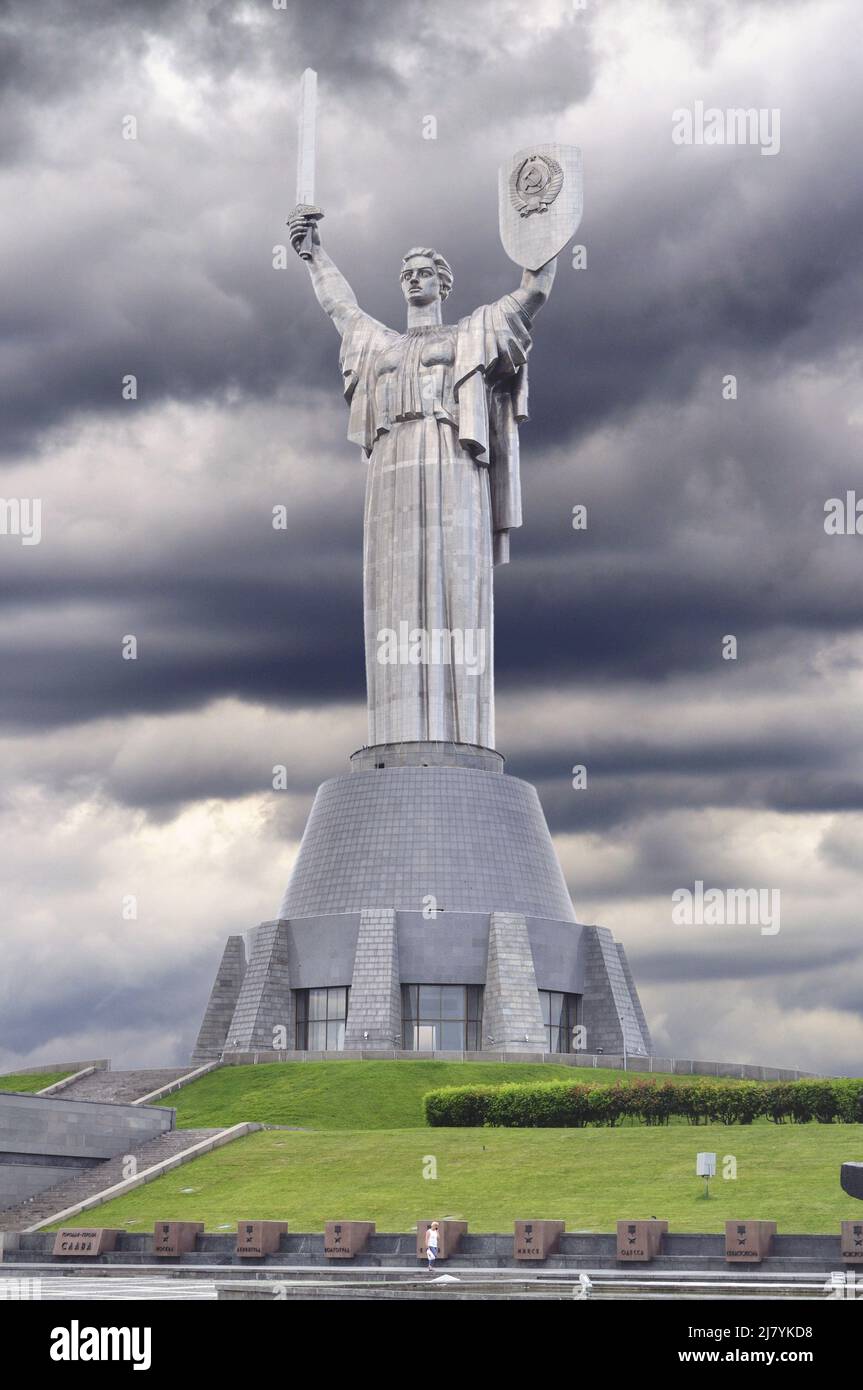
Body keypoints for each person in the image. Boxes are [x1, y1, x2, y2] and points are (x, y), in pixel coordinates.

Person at [288, 208, 556, 749]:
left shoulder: (470, 334)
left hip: (452, 456)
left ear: (443, 285)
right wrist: (315, 254)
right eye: (406, 273)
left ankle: (459, 738)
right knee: (393, 591)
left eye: (424, 273)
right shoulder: (379, 346)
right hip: (390, 465)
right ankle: (398, 737)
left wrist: (545, 234)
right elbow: (340, 306)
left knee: (454, 580)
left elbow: (532, 295)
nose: (413, 278)